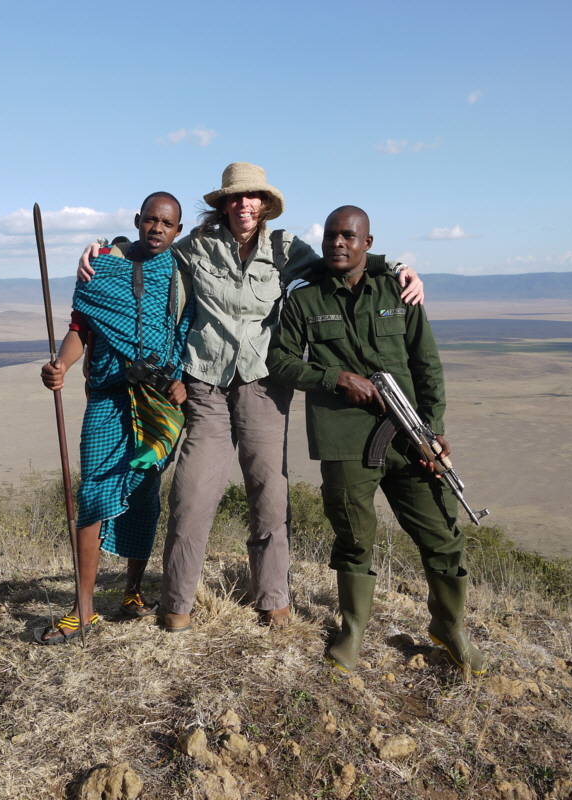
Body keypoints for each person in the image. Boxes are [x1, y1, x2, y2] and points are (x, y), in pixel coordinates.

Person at [78, 163, 424, 633]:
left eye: (253, 197)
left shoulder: (287, 250)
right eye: (235, 197)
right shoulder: (195, 246)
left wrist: (397, 266)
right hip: (205, 384)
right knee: (192, 493)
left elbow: (343, 261)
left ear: (264, 205)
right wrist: (108, 248)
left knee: (269, 491)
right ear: (223, 203)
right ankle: (176, 601)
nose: (244, 204)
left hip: (264, 384)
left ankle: (272, 597)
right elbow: (148, 252)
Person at [266, 205, 486, 673]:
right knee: (354, 539)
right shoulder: (304, 300)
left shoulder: (398, 290)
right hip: (343, 438)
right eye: (330, 236)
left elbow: (426, 365)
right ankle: (352, 632)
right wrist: (335, 378)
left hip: (407, 437)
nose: (337, 244)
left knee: (443, 535)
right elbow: (281, 362)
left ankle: (449, 627)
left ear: (368, 242)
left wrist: (435, 430)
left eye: (348, 236)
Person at [35, 192, 194, 644]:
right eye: (150, 220)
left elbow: (183, 339)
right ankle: (82, 608)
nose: (157, 229)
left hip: (159, 402)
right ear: (137, 221)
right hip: (107, 398)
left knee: (144, 495)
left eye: (166, 223)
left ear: (177, 230)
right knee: (93, 497)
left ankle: (131, 592)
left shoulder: (181, 274)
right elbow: (79, 328)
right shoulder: (101, 267)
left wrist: (179, 381)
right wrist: (61, 365)